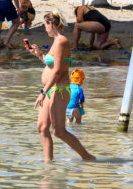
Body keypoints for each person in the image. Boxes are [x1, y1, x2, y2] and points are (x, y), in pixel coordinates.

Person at [27, 12, 94, 162]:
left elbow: (58, 71)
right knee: (42, 128)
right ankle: (48, 165)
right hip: (51, 89)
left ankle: (88, 157)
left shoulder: (61, 41)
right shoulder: (56, 41)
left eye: (45, 25)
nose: (45, 29)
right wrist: (39, 55)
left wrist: (43, 92)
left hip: (59, 90)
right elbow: (52, 64)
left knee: (59, 131)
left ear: (51, 24)